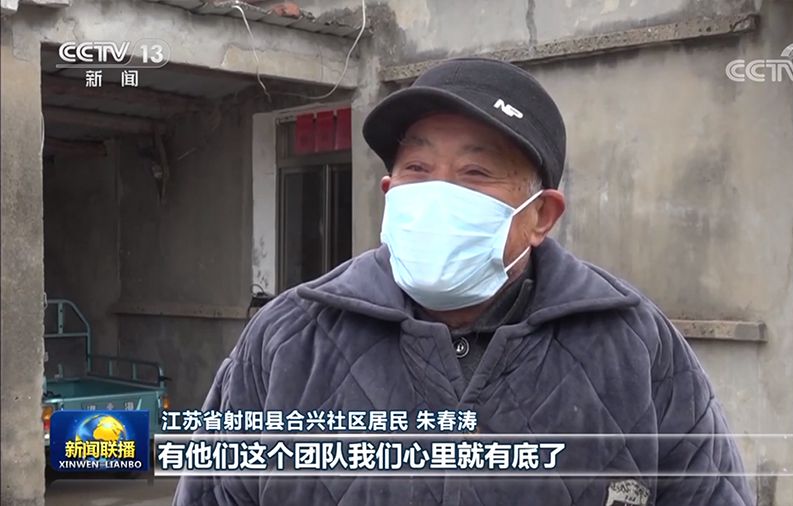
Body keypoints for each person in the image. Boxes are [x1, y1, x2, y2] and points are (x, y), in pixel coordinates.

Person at [174, 57, 754, 506]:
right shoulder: (289, 339)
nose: (438, 193)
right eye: (417, 169)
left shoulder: (634, 346)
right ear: (390, 193)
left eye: (476, 172)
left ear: (541, 215)